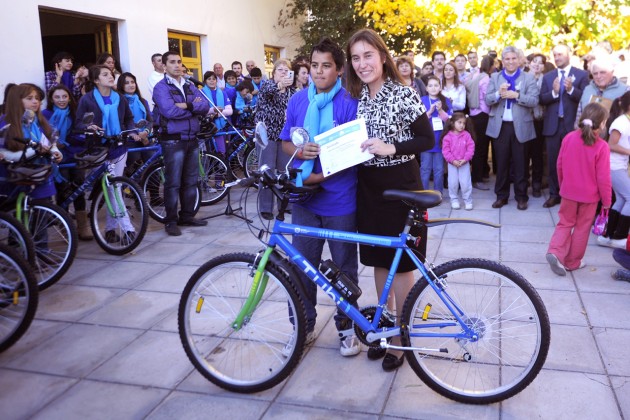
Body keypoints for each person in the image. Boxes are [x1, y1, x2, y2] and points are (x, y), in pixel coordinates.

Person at [346, 28, 434, 371]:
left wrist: (391, 147)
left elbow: (426, 138)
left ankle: (401, 336)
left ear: (383, 57)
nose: (362, 63)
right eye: (356, 58)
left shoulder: (403, 93)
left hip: (400, 183)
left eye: (368, 55)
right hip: (369, 185)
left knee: (403, 263)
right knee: (379, 258)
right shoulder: (361, 96)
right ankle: (385, 324)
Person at [280, 37, 361, 357]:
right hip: (304, 199)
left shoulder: (349, 101)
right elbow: (286, 143)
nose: (319, 72)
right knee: (302, 266)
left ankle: (346, 326)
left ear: (339, 69)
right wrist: (300, 151)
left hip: (339, 198)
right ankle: (303, 325)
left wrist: (321, 173)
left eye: (326, 66)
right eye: (314, 65)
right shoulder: (298, 101)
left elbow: (355, 152)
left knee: (343, 267)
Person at [75, 66, 140, 243]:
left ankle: (126, 230)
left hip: (119, 147)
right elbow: (79, 123)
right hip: (98, 149)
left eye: (110, 74)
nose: (110, 76)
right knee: (110, 188)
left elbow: (128, 118)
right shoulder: (87, 99)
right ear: (96, 80)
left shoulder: (119, 97)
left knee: (115, 186)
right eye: (105, 75)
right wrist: (89, 127)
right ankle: (114, 229)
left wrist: (130, 130)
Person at [546, 103, 611, 275]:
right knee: (582, 228)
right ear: (602, 123)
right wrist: (606, 202)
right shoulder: (602, 146)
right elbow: (603, 178)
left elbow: (559, 164)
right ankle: (572, 262)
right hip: (589, 197)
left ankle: (555, 251)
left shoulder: (568, 138)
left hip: (568, 192)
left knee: (564, 223)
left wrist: (563, 185)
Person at [152, 51, 210, 236]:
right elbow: (169, 112)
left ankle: (187, 216)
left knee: (191, 181)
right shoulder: (160, 88)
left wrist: (188, 105)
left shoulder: (190, 85)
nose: (177, 65)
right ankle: (171, 221)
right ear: (164, 66)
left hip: (192, 139)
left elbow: (205, 106)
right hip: (172, 140)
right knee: (173, 183)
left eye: (179, 62)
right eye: (172, 62)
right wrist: (194, 107)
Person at [486, 46, 539, 211]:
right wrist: (498, 94)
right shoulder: (495, 77)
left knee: (521, 164)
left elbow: (534, 100)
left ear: (519, 60)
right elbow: (487, 100)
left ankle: (521, 197)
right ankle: (501, 196)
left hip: (521, 126)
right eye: (507, 59)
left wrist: (517, 96)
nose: (510, 62)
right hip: (500, 127)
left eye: (513, 58)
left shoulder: (528, 78)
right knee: (501, 164)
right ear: (503, 60)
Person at [540, 45, 589, 208]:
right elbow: (541, 99)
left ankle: (571, 195)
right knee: (554, 161)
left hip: (572, 126)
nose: (557, 57)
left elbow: (585, 98)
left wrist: (570, 89)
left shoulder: (581, 75)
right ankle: (554, 194)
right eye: (555, 55)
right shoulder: (548, 77)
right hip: (552, 126)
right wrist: (554, 93)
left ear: (569, 55)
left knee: (572, 163)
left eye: (560, 54)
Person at [42, 85, 92, 240]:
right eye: (57, 97)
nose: (61, 100)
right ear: (51, 99)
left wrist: (70, 141)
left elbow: (80, 133)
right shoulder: (45, 114)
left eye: (64, 96)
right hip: (56, 157)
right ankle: (66, 226)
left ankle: (83, 226)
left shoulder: (75, 114)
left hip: (74, 154)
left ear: (70, 97)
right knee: (63, 189)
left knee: (79, 187)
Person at [0, 84, 63, 203]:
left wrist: (55, 151)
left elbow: (47, 141)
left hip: (39, 176)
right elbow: (3, 153)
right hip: (16, 180)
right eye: (29, 98)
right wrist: (35, 151)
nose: (35, 102)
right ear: (17, 101)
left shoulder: (37, 121)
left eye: (37, 98)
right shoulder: (6, 123)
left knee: (43, 214)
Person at [254, 58, 296, 220]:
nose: (284, 73)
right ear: (274, 73)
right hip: (267, 136)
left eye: (287, 71)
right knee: (267, 170)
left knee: (286, 171)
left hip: (284, 136)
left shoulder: (292, 92)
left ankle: (286, 204)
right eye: (281, 70)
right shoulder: (267, 85)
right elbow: (268, 93)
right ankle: (266, 208)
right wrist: (280, 86)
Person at [598, 92, 630, 249]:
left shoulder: (626, 122)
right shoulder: (621, 122)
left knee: (623, 199)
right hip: (614, 166)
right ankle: (619, 236)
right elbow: (611, 145)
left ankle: (607, 236)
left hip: (619, 166)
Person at [576, 56, 628, 129]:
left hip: (613, 137)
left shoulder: (625, 90)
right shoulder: (588, 89)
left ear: (612, 72)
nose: (599, 76)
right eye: (595, 73)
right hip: (587, 136)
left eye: (602, 72)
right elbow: (579, 116)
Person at [420, 75, 452, 193]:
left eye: (436, 85)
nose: (433, 88)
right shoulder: (422, 100)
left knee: (439, 169)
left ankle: (438, 194)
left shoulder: (445, 101)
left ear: (440, 87)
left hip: (440, 140)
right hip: (426, 140)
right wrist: (429, 112)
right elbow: (418, 120)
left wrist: (440, 110)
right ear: (427, 88)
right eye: (430, 85)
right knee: (425, 169)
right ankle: (424, 193)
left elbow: (449, 121)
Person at [117, 72, 152, 176]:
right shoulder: (119, 102)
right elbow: (121, 122)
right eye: (126, 83)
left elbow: (150, 120)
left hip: (146, 139)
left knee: (152, 170)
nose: (131, 85)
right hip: (130, 141)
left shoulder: (142, 101)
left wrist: (146, 132)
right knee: (136, 172)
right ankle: (134, 192)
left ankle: (154, 192)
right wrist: (134, 134)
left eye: (132, 82)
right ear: (121, 86)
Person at [467, 55, 493, 190]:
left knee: (476, 147)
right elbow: (488, 99)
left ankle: (478, 176)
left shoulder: (474, 75)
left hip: (473, 114)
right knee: (480, 149)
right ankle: (477, 179)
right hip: (483, 114)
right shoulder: (486, 78)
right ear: (491, 66)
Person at [442, 112, 476, 210]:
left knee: (465, 183)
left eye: (464, 123)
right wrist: (452, 161)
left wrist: (466, 159)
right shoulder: (447, 137)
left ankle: (467, 200)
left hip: (464, 163)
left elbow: (471, 148)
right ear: (452, 123)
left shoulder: (467, 135)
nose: (462, 125)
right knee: (453, 183)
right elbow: (446, 151)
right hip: (452, 164)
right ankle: (454, 199)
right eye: (459, 122)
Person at [527, 53, 547, 198]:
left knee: (537, 155)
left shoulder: (546, 80)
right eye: (534, 61)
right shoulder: (523, 78)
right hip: (524, 120)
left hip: (539, 120)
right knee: (522, 154)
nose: (537, 65)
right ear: (529, 63)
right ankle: (521, 183)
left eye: (540, 63)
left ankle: (536, 185)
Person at [201, 71, 232, 154]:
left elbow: (230, 111)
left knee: (225, 149)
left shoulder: (222, 92)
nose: (212, 81)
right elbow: (200, 110)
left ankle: (223, 166)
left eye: (214, 79)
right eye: (209, 79)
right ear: (205, 81)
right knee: (215, 151)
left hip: (223, 125)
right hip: (209, 126)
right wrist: (213, 111)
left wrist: (217, 114)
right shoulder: (201, 93)